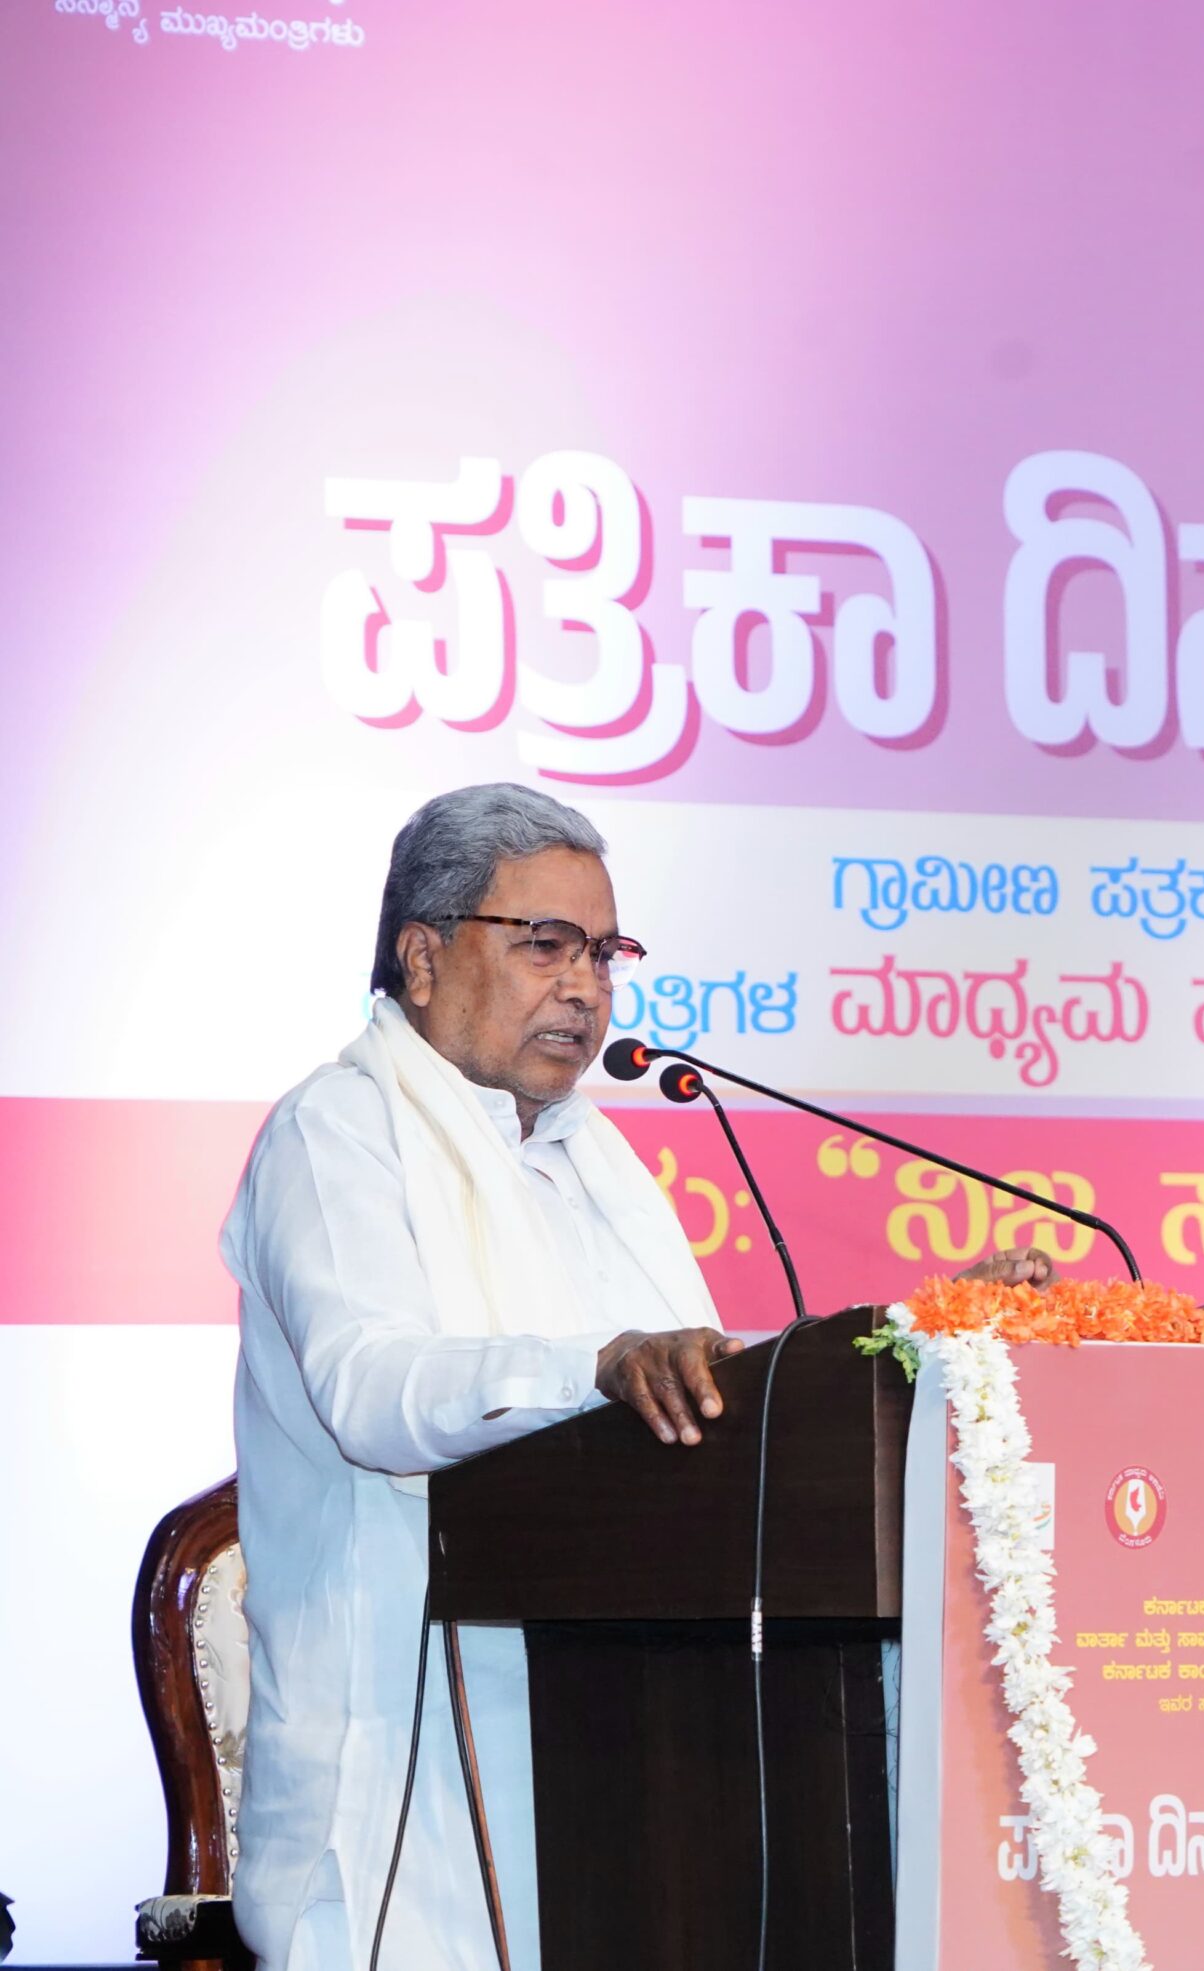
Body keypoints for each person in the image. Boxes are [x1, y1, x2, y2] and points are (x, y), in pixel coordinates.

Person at [224, 784, 1047, 1971]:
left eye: (604, 953)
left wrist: (907, 1336)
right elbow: (372, 1393)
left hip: (624, 1778)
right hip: (413, 1781)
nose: (586, 986)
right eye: (545, 944)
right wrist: (601, 1365)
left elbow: (706, 1395)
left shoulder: (594, 1159)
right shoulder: (335, 1132)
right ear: (423, 955)